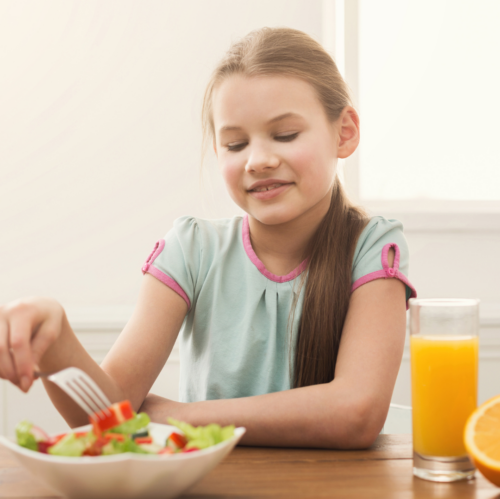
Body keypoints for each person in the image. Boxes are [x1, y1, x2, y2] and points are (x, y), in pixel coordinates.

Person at [0, 27, 416, 449]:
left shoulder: (372, 246)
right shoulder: (191, 249)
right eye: (235, 144)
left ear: (344, 132)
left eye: (285, 135)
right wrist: (55, 344)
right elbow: (107, 417)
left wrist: (178, 417)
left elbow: (356, 412)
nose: (258, 160)